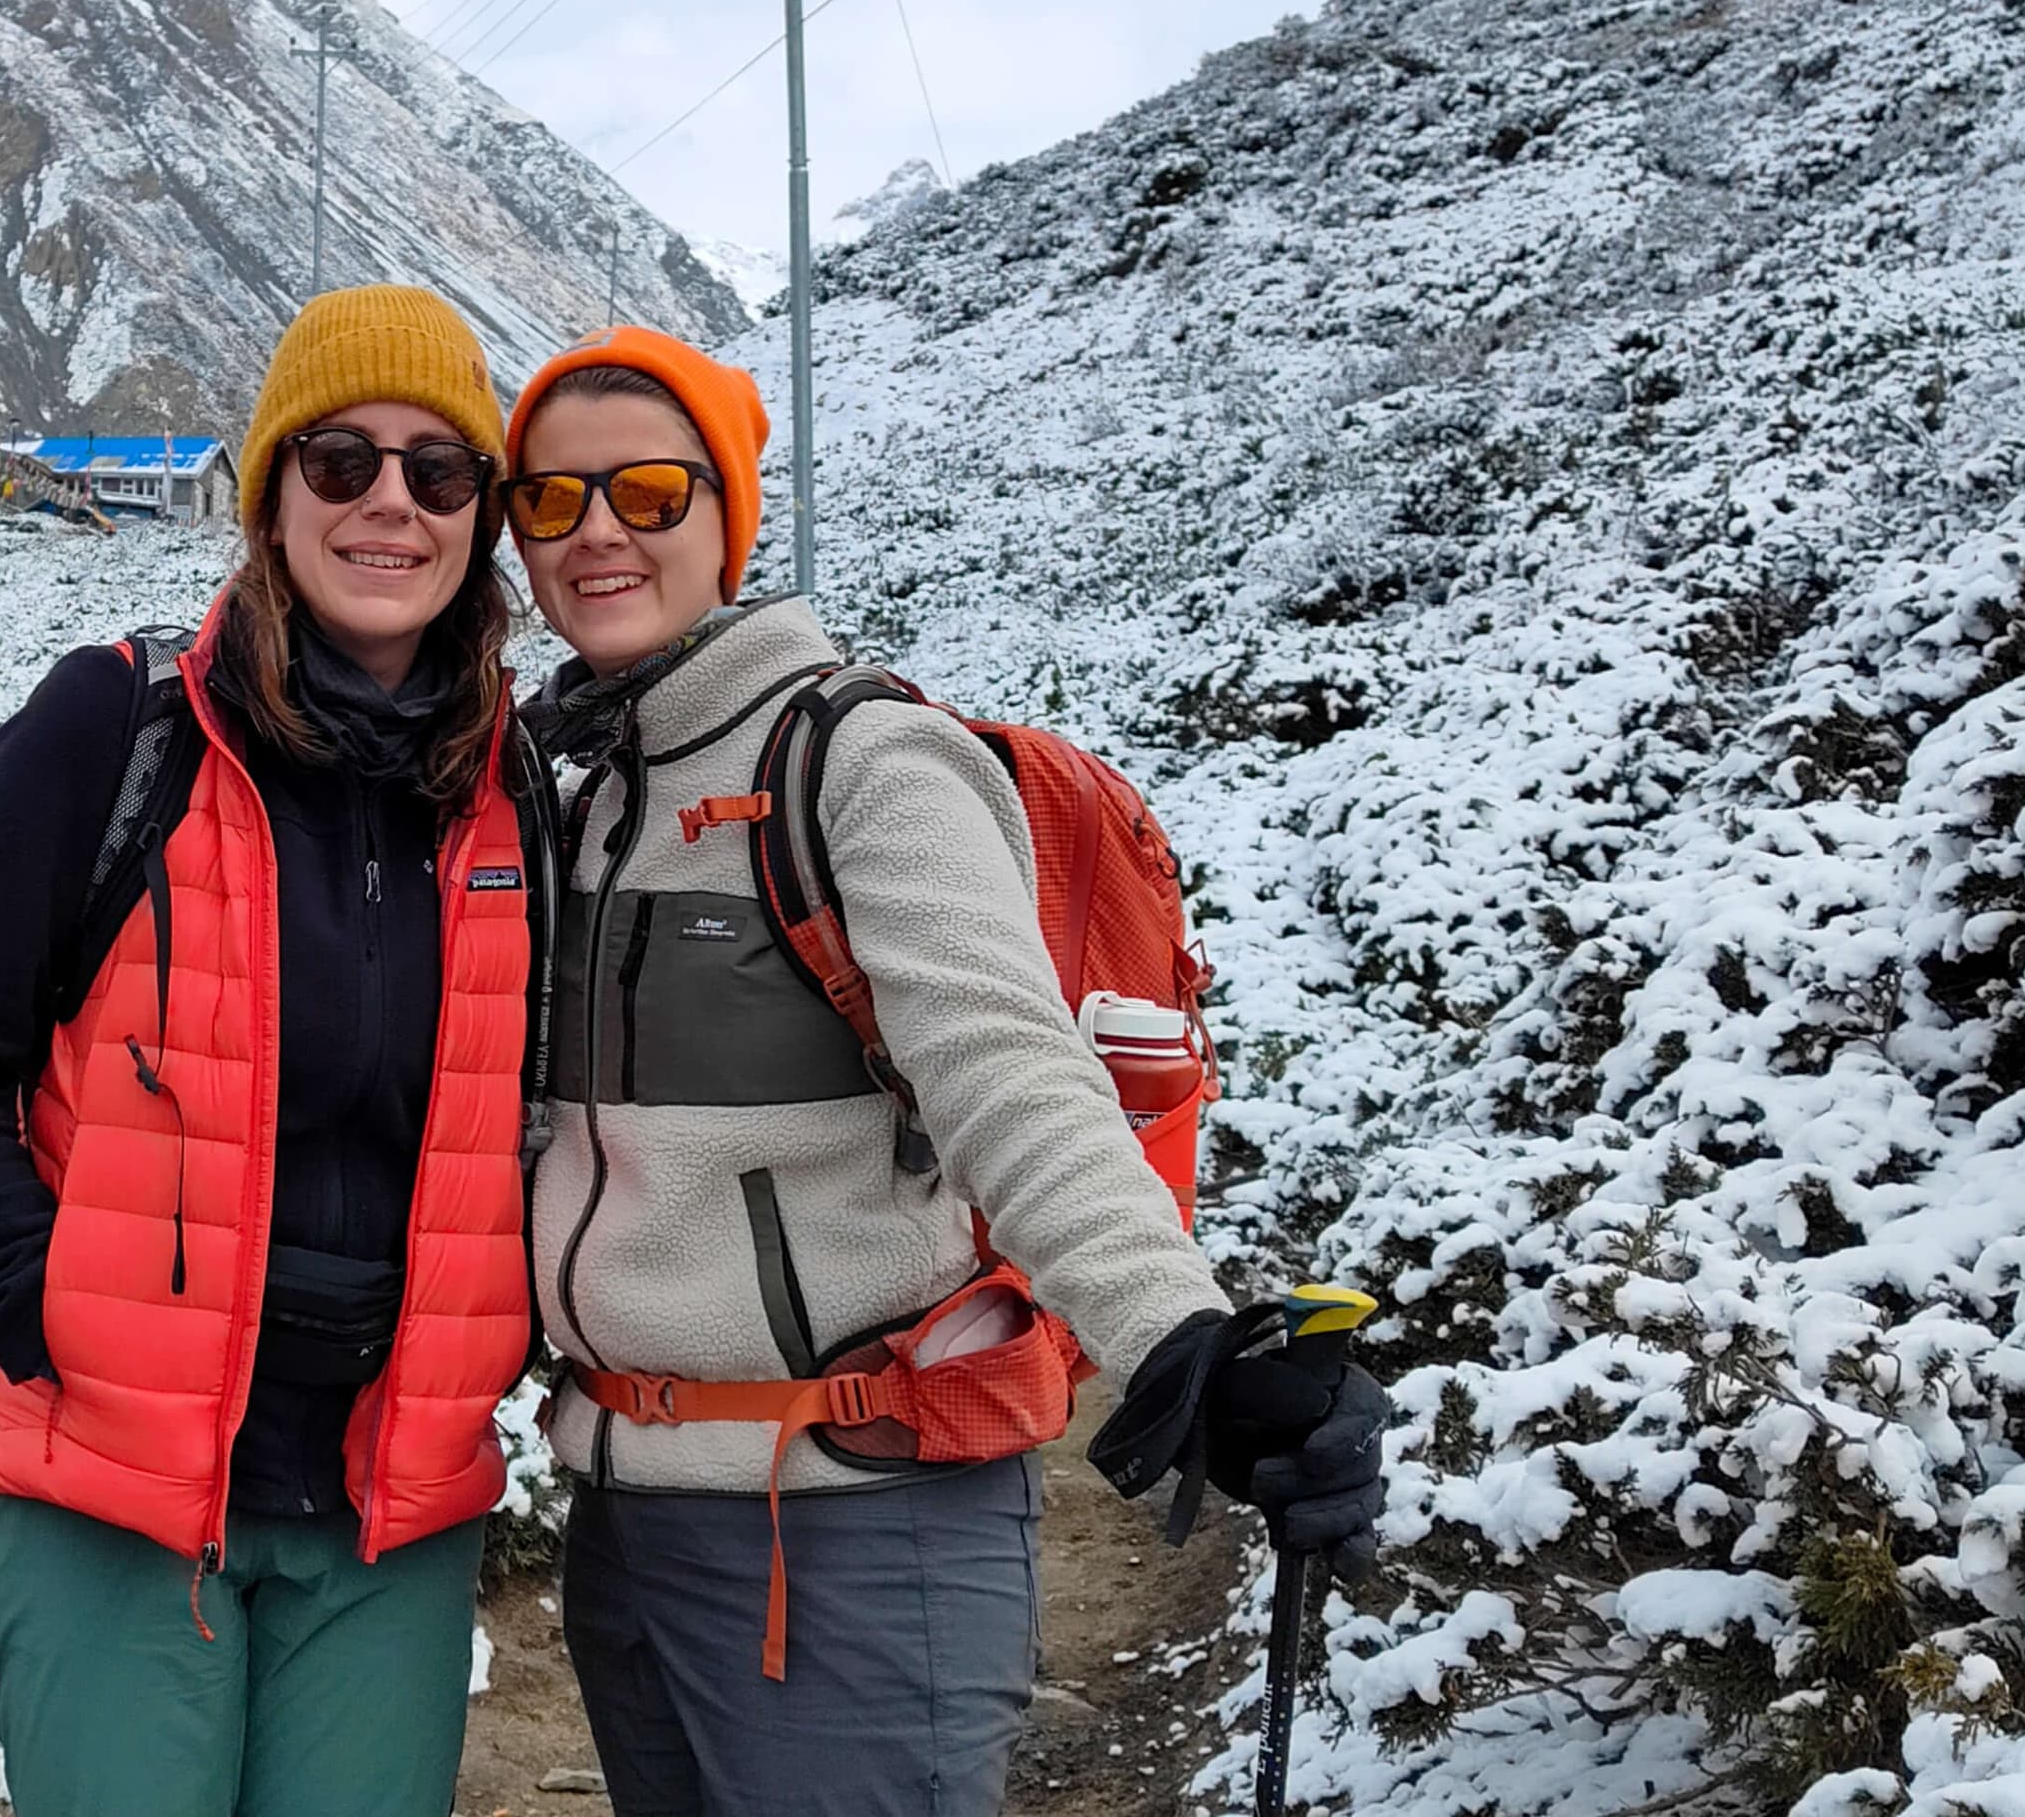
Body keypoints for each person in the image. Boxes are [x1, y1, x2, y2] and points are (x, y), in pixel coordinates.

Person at [502, 326, 1392, 1817]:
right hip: (629, 1519)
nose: (597, 531)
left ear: (730, 518)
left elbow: (1008, 1070)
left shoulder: (864, 761)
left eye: (649, 493)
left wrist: (1180, 1337)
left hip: (850, 1524)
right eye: (550, 499)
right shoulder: (588, 795)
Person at [0, 285, 540, 1817]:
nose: (391, 502)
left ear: (480, 516)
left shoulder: (512, 789)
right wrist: (47, 1309)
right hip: (112, 1486)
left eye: (439, 470)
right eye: (341, 460)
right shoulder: (117, 726)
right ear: (272, 495)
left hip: (389, 1498)